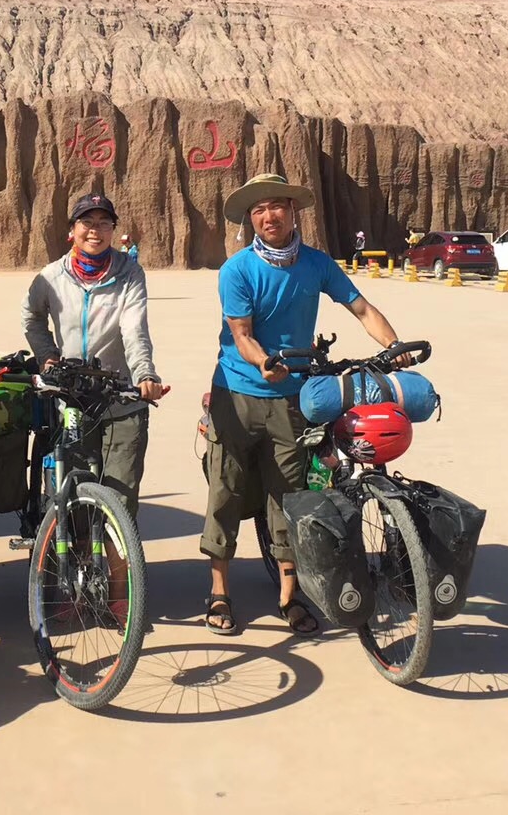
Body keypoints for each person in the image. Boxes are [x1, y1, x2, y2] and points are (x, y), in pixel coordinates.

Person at [201, 173, 411, 636]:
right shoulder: (238, 270)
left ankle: (288, 595)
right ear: (250, 219)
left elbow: (360, 308)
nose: (269, 216)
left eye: (277, 205)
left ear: (293, 212)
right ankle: (219, 590)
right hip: (238, 392)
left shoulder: (317, 264)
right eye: (259, 210)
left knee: (289, 494)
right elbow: (241, 334)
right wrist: (264, 363)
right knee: (226, 490)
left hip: (294, 396)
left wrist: (395, 346)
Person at [23, 195, 166, 521]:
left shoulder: (129, 272)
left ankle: (117, 556)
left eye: (104, 223)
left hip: (121, 399)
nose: (95, 231)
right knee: (74, 501)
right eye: (87, 222)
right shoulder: (51, 277)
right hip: (72, 400)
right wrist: (47, 355)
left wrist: (145, 374)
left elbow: (134, 328)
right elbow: (31, 316)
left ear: (113, 230)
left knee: (120, 505)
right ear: (72, 230)